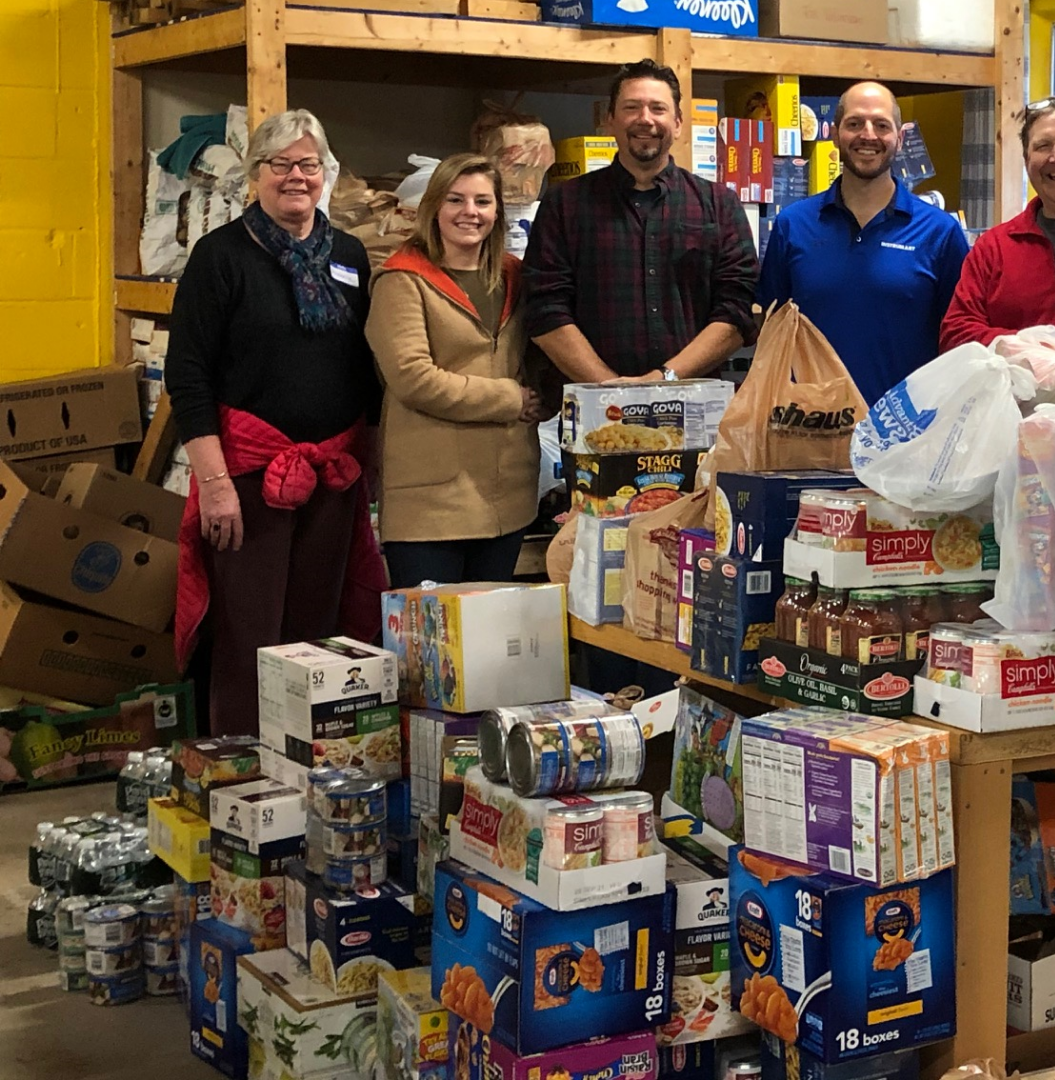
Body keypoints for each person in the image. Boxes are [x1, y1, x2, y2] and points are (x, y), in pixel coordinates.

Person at [165, 109, 387, 736]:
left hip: (332, 477)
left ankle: (309, 764)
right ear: (255, 175)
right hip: (247, 475)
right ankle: (239, 767)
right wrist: (214, 484)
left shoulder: (347, 255)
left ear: (325, 174)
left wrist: (368, 466)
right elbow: (188, 377)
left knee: (318, 631)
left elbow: (363, 368)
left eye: (308, 164)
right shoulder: (221, 257)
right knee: (248, 634)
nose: (296, 176)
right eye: (281, 164)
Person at [366, 153, 544, 589]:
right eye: (456, 200)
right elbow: (413, 378)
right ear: (433, 208)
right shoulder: (401, 281)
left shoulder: (515, 277)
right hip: (432, 506)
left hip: (508, 498)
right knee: (432, 650)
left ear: (497, 211)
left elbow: (539, 354)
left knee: (492, 646)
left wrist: (548, 395)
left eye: (483, 201)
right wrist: (510, 399)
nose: (470, 212)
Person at [523, 58, 759, 382]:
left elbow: (736, 312)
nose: (644, 119)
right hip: (593, 409)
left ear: (678, 123)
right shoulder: (563, 205)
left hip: (690, 404)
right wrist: (608, 387)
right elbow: (545, 308)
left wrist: (664, 378)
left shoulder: (720, 205)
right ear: (609, 121)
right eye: (631, 107)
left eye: (658, 109)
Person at [757, 81, 971, 403]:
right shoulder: (793, 225)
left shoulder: (940, 233)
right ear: (834, 133)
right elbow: (773, 334)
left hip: (905, 434)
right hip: (810, 432)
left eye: (881, 125)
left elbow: (958, 342)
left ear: (899, 138)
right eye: (854, 123)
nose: (868, 135)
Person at [941, 96, 1055, 356]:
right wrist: (1033, 344)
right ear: (1027, 160)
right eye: (1043, 146)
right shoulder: (994, 248)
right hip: (1018, 397)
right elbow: (955, 335)